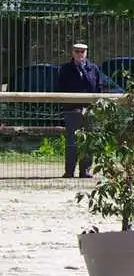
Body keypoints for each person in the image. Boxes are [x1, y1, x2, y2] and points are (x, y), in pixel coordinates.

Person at [54, 42, 106, 177]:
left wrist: (96, 106)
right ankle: (69, 171)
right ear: (72, 53)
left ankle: (85, 171)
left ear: (86, 53)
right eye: (77, 51)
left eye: (82, 52)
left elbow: (99, 87)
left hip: (90, 110)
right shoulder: (65, 69)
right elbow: (60, 88)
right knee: (72, 142)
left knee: (89, 140)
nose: (79, 54)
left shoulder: (93, 68)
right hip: (72, 110)